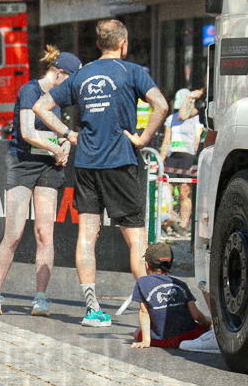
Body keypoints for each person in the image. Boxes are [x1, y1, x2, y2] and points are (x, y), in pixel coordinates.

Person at [33, 19, 169, 327]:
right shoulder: (132, 71)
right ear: (123, 42)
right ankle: (152, 311)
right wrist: (144, 138)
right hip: (121, 162)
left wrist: (68, 133)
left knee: (87, 237)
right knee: (136, 240)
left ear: (98, 45)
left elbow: (41, 106)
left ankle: (92, 310)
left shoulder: (81, 75)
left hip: (87, 164)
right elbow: (160, 105)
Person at [0, 47, 81, 317]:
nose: (72, 88)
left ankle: (41, 298)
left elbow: (58, 134)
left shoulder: (57, 99)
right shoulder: (30, 90)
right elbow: (27, 132)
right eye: (71, 81)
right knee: (13, 234)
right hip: (23, 164)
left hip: (47, 168)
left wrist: (64, 148)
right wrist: (57, 147)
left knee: (44, 234)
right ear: (59, 73)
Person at [130, 243, 218, 352]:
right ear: (170, 266)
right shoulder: (181, 284)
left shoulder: (142, 283)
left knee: (136, 332)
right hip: (188, 336)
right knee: (205, 323)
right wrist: (206, 323)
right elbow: (195, 314)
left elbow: (144, 312)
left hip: (162, 339)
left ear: (147, 265)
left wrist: (146, 340)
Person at [160, 88, 204, 235]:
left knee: (185, 192)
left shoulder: (197, 118)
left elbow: (197, 140)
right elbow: (167, 139)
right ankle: (168, 222)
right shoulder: (170, 119)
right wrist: (160, 160)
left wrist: (196, 160)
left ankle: (184, 226)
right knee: (167, 191)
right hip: (173, 158)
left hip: (188, 157)